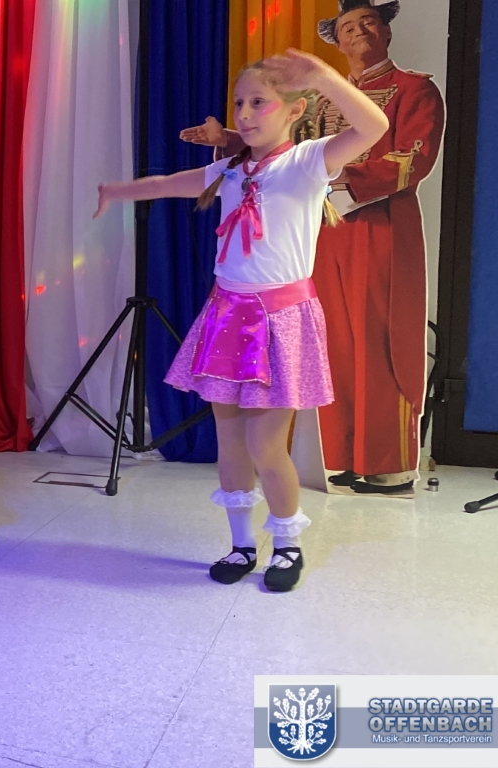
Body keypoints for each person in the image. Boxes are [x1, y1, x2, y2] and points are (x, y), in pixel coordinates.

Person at [95, 51, 389, 592]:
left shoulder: (308, 162)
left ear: (295, 110)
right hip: (227, 313)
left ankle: (287, 545)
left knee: (265, 446)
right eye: (239, 103)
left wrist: (325, 78)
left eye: (259, 102)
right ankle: (241, 545)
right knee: (229, 441)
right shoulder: (230, 168)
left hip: (279, 319)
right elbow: (168, 183)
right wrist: (117, 192)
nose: (246, 113)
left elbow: (375, 126)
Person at [180, 0, 444, 496]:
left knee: (380, 338)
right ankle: (340, 457)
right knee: (331, 340)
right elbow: (285, 153)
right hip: (318, 230)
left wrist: (336, 182)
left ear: (386, 30)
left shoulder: (414, 89)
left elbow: (413, 158)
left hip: (379, 226)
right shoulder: (320, 101)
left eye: (368, 22)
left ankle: (386, 463)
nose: (359, 31)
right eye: (348, 26)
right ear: (337, 41)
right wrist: (230, 140)